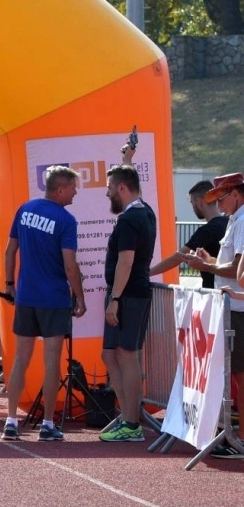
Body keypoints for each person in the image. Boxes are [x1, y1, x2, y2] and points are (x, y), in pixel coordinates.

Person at [0, 165, 83, 441]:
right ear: (60, 189)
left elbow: (9, 250)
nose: (75, 193)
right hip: (54, 299)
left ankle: (11, 421)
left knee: (21, 359)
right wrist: (80, 297)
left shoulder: (25, 209)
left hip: (26, 296)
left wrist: (10, 284)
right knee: (51, 362)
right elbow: (70, 265)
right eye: (72, 188)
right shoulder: (66, 220)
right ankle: (47, 424)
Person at [181, 173, 244, 455]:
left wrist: (207, 266)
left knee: (240, 376)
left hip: (238, 309)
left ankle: (239, 438)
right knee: (235, 375)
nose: (217, 205)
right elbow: (231, 266)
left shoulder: (241, 221)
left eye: (221, 198)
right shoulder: (235, 220)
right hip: (232, 307)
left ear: (236, 195)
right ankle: (235, 436)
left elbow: (237, 272)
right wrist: (210, 262)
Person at [99, 164, 157, 443]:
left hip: (129, 296)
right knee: (110, 354)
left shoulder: (132, 218)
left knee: (126, 354)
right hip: (127, 294)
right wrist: (127, 159)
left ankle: (132, 423)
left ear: (121, 188)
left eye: (110, 188)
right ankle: (127, 415)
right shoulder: (143, 211)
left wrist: (115, 299)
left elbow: (126, 261)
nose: (107, 193)